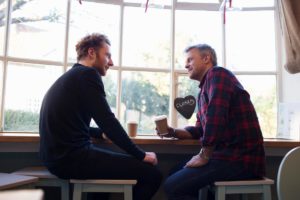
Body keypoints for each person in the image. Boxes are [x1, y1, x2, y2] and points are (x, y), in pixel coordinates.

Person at [39, 33, 162, 200]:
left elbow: (70, 124)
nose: (111, 62)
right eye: (108, 55)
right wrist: (141, 155)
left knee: (105, 174)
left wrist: (99, 133)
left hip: (56, 159)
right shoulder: (87, 75)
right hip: (71, 159)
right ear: (91, 53)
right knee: (153, 174)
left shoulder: (72, 77)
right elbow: (108, 121)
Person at [157, 44, 266, 200]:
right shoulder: (203, 91)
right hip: (224, 157)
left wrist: (204, 154)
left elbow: (217, 114)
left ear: (206, 58)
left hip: (241, 159)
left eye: (190, 59)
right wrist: (172, 132)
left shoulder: (218, 74)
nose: (186, 65)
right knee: (174, 171)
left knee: (172, 186)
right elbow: (199, 130)